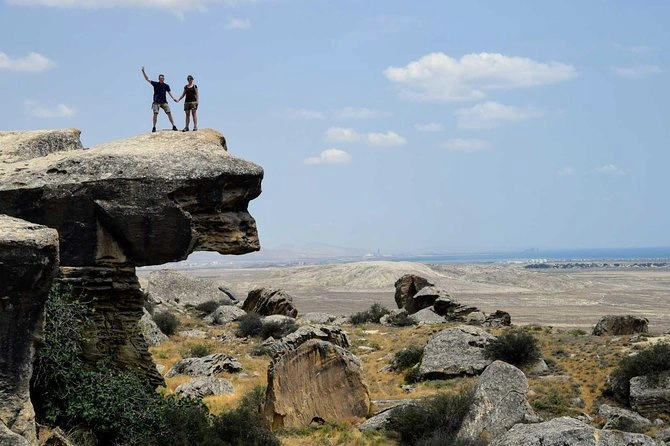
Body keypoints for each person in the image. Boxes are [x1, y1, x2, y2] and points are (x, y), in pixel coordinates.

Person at [141, 66, 178, 132]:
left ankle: (174, 125)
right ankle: (154, 127)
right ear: (158, 79)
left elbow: (169, 92)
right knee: (155, 114)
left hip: (164, 102)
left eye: (162, 78)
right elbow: (147, 79)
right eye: (160, 78)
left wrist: (173, 98)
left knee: (169, 112)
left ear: (164, 79)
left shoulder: (166, 86)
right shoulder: (155, 84)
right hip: (156, 102)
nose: (161, 79)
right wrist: (143, 72)